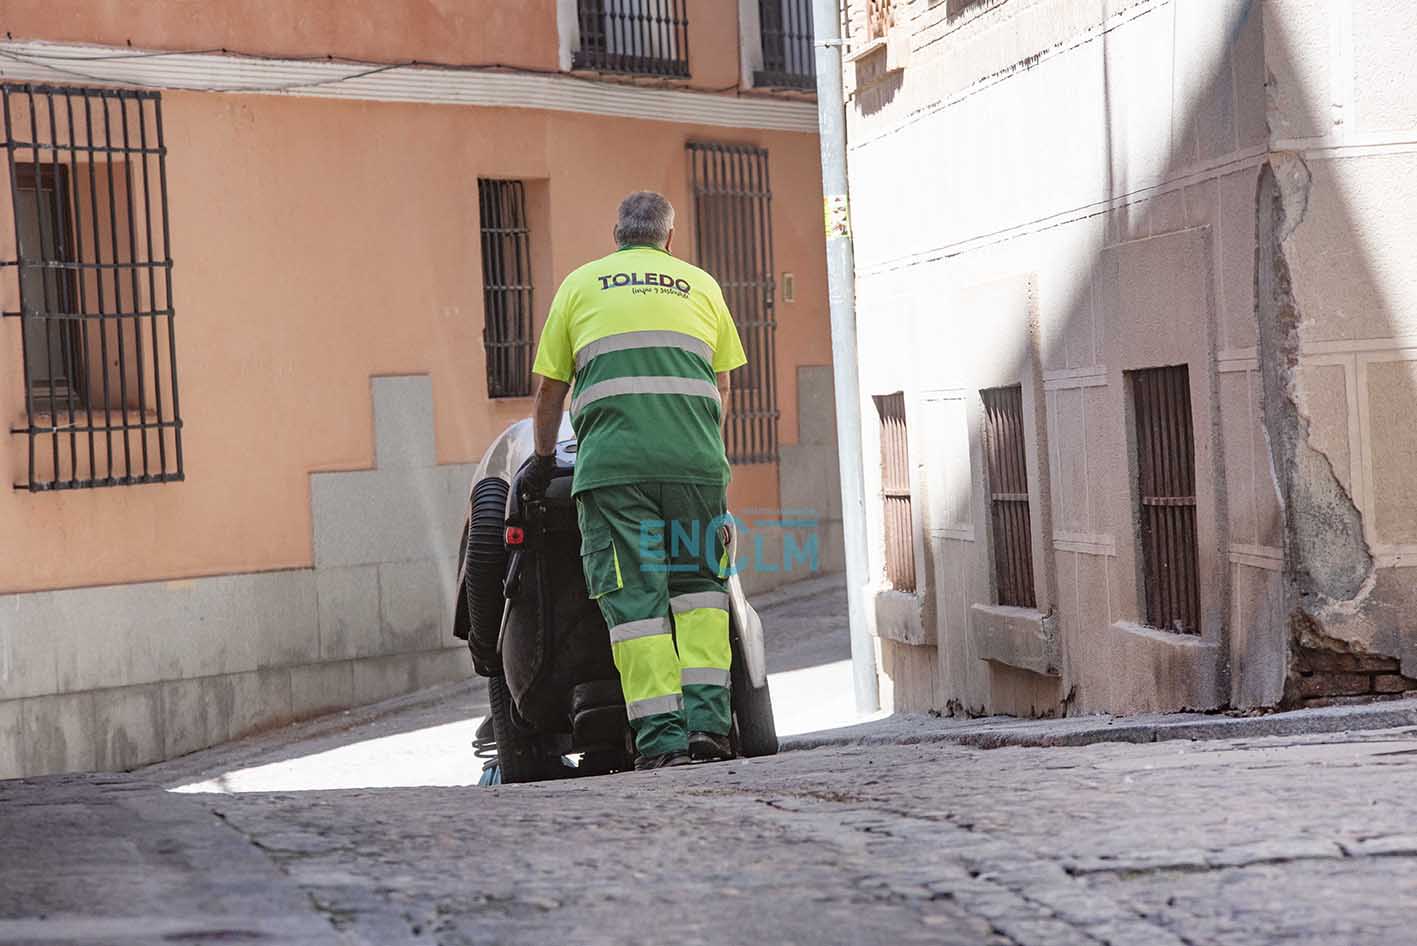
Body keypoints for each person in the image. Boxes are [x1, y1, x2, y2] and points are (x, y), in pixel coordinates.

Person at [523, 191, 747, 770]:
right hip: (695, 468)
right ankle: (710, 734)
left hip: (615, 474)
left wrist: (544, 458)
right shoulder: (701, 286)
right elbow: (721, 387)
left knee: (638, 605)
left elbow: (551, 390)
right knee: (700, 595)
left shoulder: (580, 285)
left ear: (616, 234)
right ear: (669, 239)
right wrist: (700, 453)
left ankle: (662, 743)